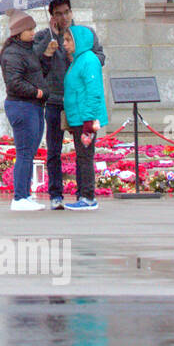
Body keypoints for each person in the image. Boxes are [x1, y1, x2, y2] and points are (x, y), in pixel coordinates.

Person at [33, 0, 105, 210]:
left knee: (82, 150)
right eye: (58, 13)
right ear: (52, 16)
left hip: (78, 101)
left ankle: (84, 193)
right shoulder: (43, 37)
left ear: (71, 12)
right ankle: (56, 194)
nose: (63, 17)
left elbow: (100, 57)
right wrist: (49, 50)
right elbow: (35, 65)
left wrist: (80, 56)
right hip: (55, 100)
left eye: (66, 12)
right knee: (54, 149)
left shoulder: (83, 35)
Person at [0, 10, 50, 211]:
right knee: (25, 152)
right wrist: (37, 93)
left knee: (29, 151)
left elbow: (36, 72)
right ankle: (19, 197)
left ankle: (25, 195)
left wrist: (47, 55)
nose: (33, 32)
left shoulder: (28, 50)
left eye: (33, 28)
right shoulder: (12, 53)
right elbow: (14, 83)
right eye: (29, 29)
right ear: (18, 32)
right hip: (22, 105)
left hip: (33, 106)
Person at [61, 25, 107, 210]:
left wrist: (88, 121)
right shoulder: (77, 60)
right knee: (81, 157)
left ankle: (88, 197)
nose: (64, 44)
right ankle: (83, 194)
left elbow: (93, 92)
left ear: (78, 41)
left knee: (85, 157)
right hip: (78, 118)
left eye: (68, 40)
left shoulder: (88, 60)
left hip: (85, 119)